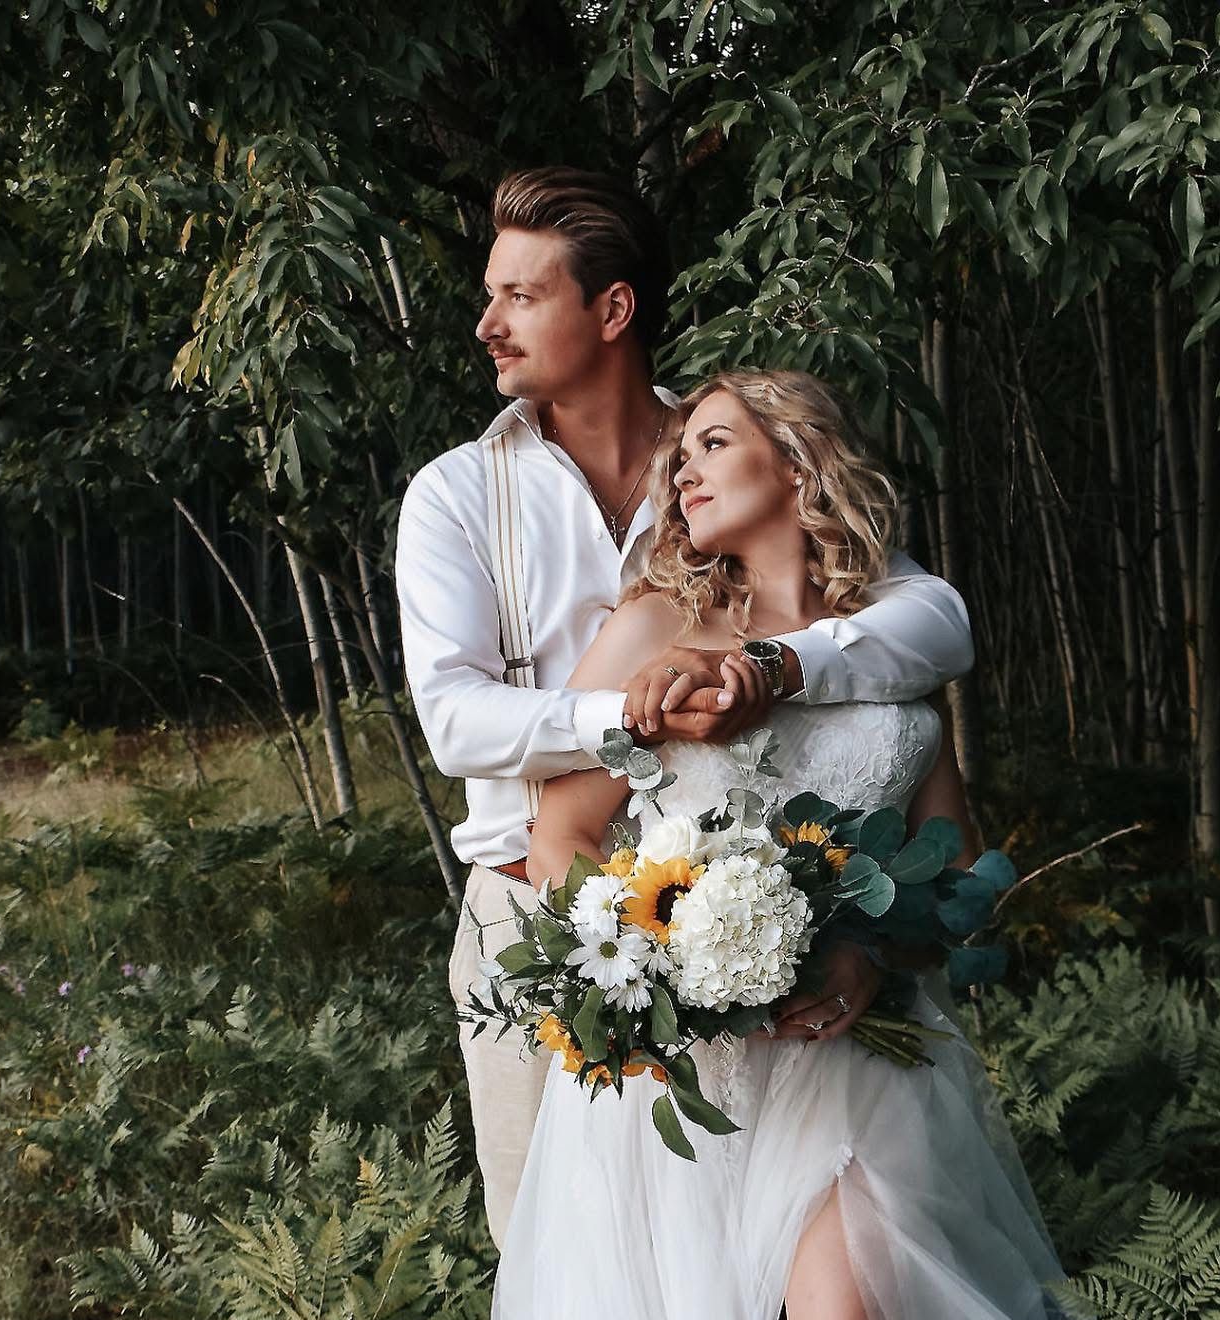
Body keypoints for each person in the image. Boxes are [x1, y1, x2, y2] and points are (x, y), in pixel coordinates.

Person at [137, 370, 1088, 1320]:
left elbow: (952, 855)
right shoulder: (653, 629)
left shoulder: (894, 636)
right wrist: (660, 966)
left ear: (800, 457)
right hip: (688, 1092)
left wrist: (867, 970)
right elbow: (559, 845)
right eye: (680, 454)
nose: (684, 473)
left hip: (858, 1080)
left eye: (715, 445)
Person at [395, 166, 975, 1255]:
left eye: (521, 295)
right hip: (539, 904)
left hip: (773, 907)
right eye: (493, 294)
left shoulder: (732, 448)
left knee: (768, 1286)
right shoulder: (459, 494)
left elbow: (927, 619)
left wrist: (768, 666)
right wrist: (644, 709)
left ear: (611, 311)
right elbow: (455, 726)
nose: (488, 323)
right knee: (566, 1271)